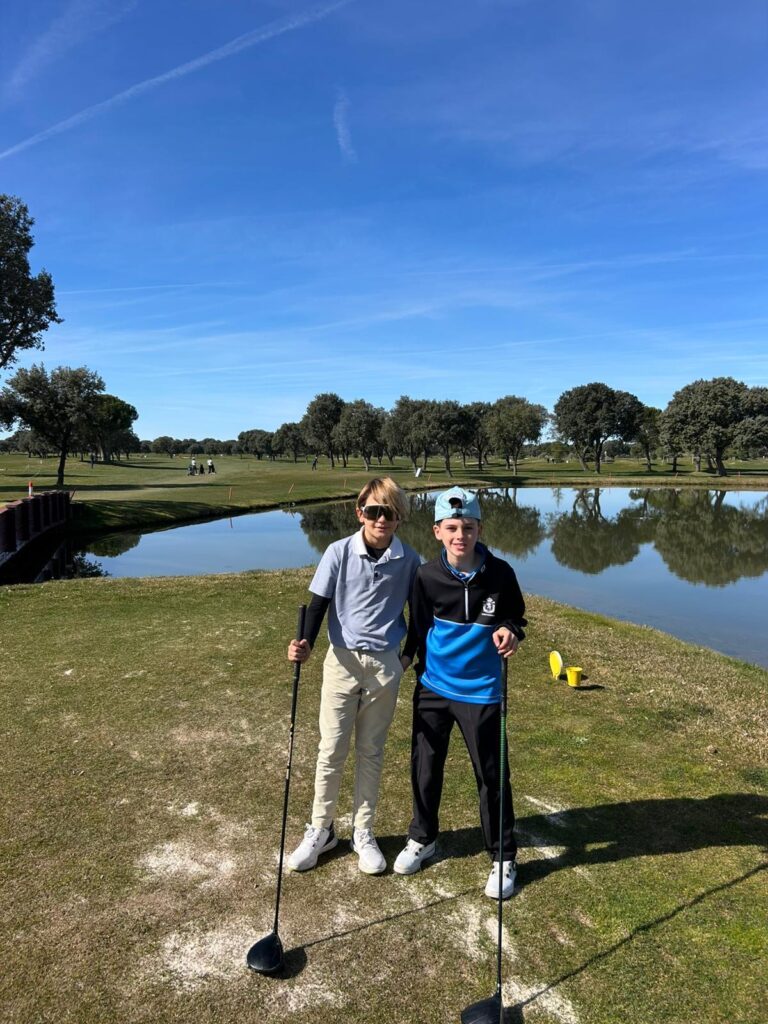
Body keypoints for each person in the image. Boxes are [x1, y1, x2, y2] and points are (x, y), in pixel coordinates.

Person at [394, 486, 526, 899]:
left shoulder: (501, 573)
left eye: (468, 527)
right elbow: (419, 628)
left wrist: (510, 631)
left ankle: (503, 856)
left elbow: (515, 616)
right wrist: (405, 661)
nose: (460, 536)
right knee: (425, 767)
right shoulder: (426, 576)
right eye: (451, 528)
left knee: (491, 775)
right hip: (433, 687)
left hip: (482, 691)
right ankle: (423, 838)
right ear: (437, 531)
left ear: (479, 529)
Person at [286, 477, 421, 875]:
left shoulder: (409, 559)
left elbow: (419, 616)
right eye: (374, 511)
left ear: (399, 517)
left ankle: (363, 831)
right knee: (331, 748)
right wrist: (305, 643)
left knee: (371, 751)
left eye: (390, 512)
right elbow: (318, 605)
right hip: (341, 661)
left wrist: (406, 659)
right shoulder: (339, 551)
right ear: (360, 512)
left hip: (384, 665)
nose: (382, 519)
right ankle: (321, 829)